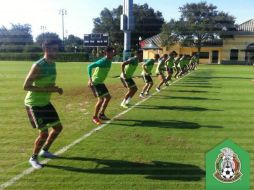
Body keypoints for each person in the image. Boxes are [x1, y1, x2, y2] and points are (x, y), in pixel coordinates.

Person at [24, 39, 63, 169]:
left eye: (56, 49)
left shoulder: (53, 64)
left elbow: (48, 83)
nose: (55, 51)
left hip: (45, 102)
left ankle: (45, 150)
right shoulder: (38, 65)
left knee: (58, 128)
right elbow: (26, 86)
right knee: (44, 133)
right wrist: (48, 89)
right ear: (45, 49)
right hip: (34, 103)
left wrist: (56, 89)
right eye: (53, 49)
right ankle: (33, 158)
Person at [87, 46, 115, 125]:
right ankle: (95, 117)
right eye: (111, 52)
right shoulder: (102, 61)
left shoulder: (109, 61)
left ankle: (101, 114)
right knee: (101, 100)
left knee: (108, 97)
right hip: (95, 82)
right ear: (106, 53)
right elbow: (89, 67)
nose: (113, 54)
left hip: (100, 82)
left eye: (113, 52)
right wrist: (90, 79)